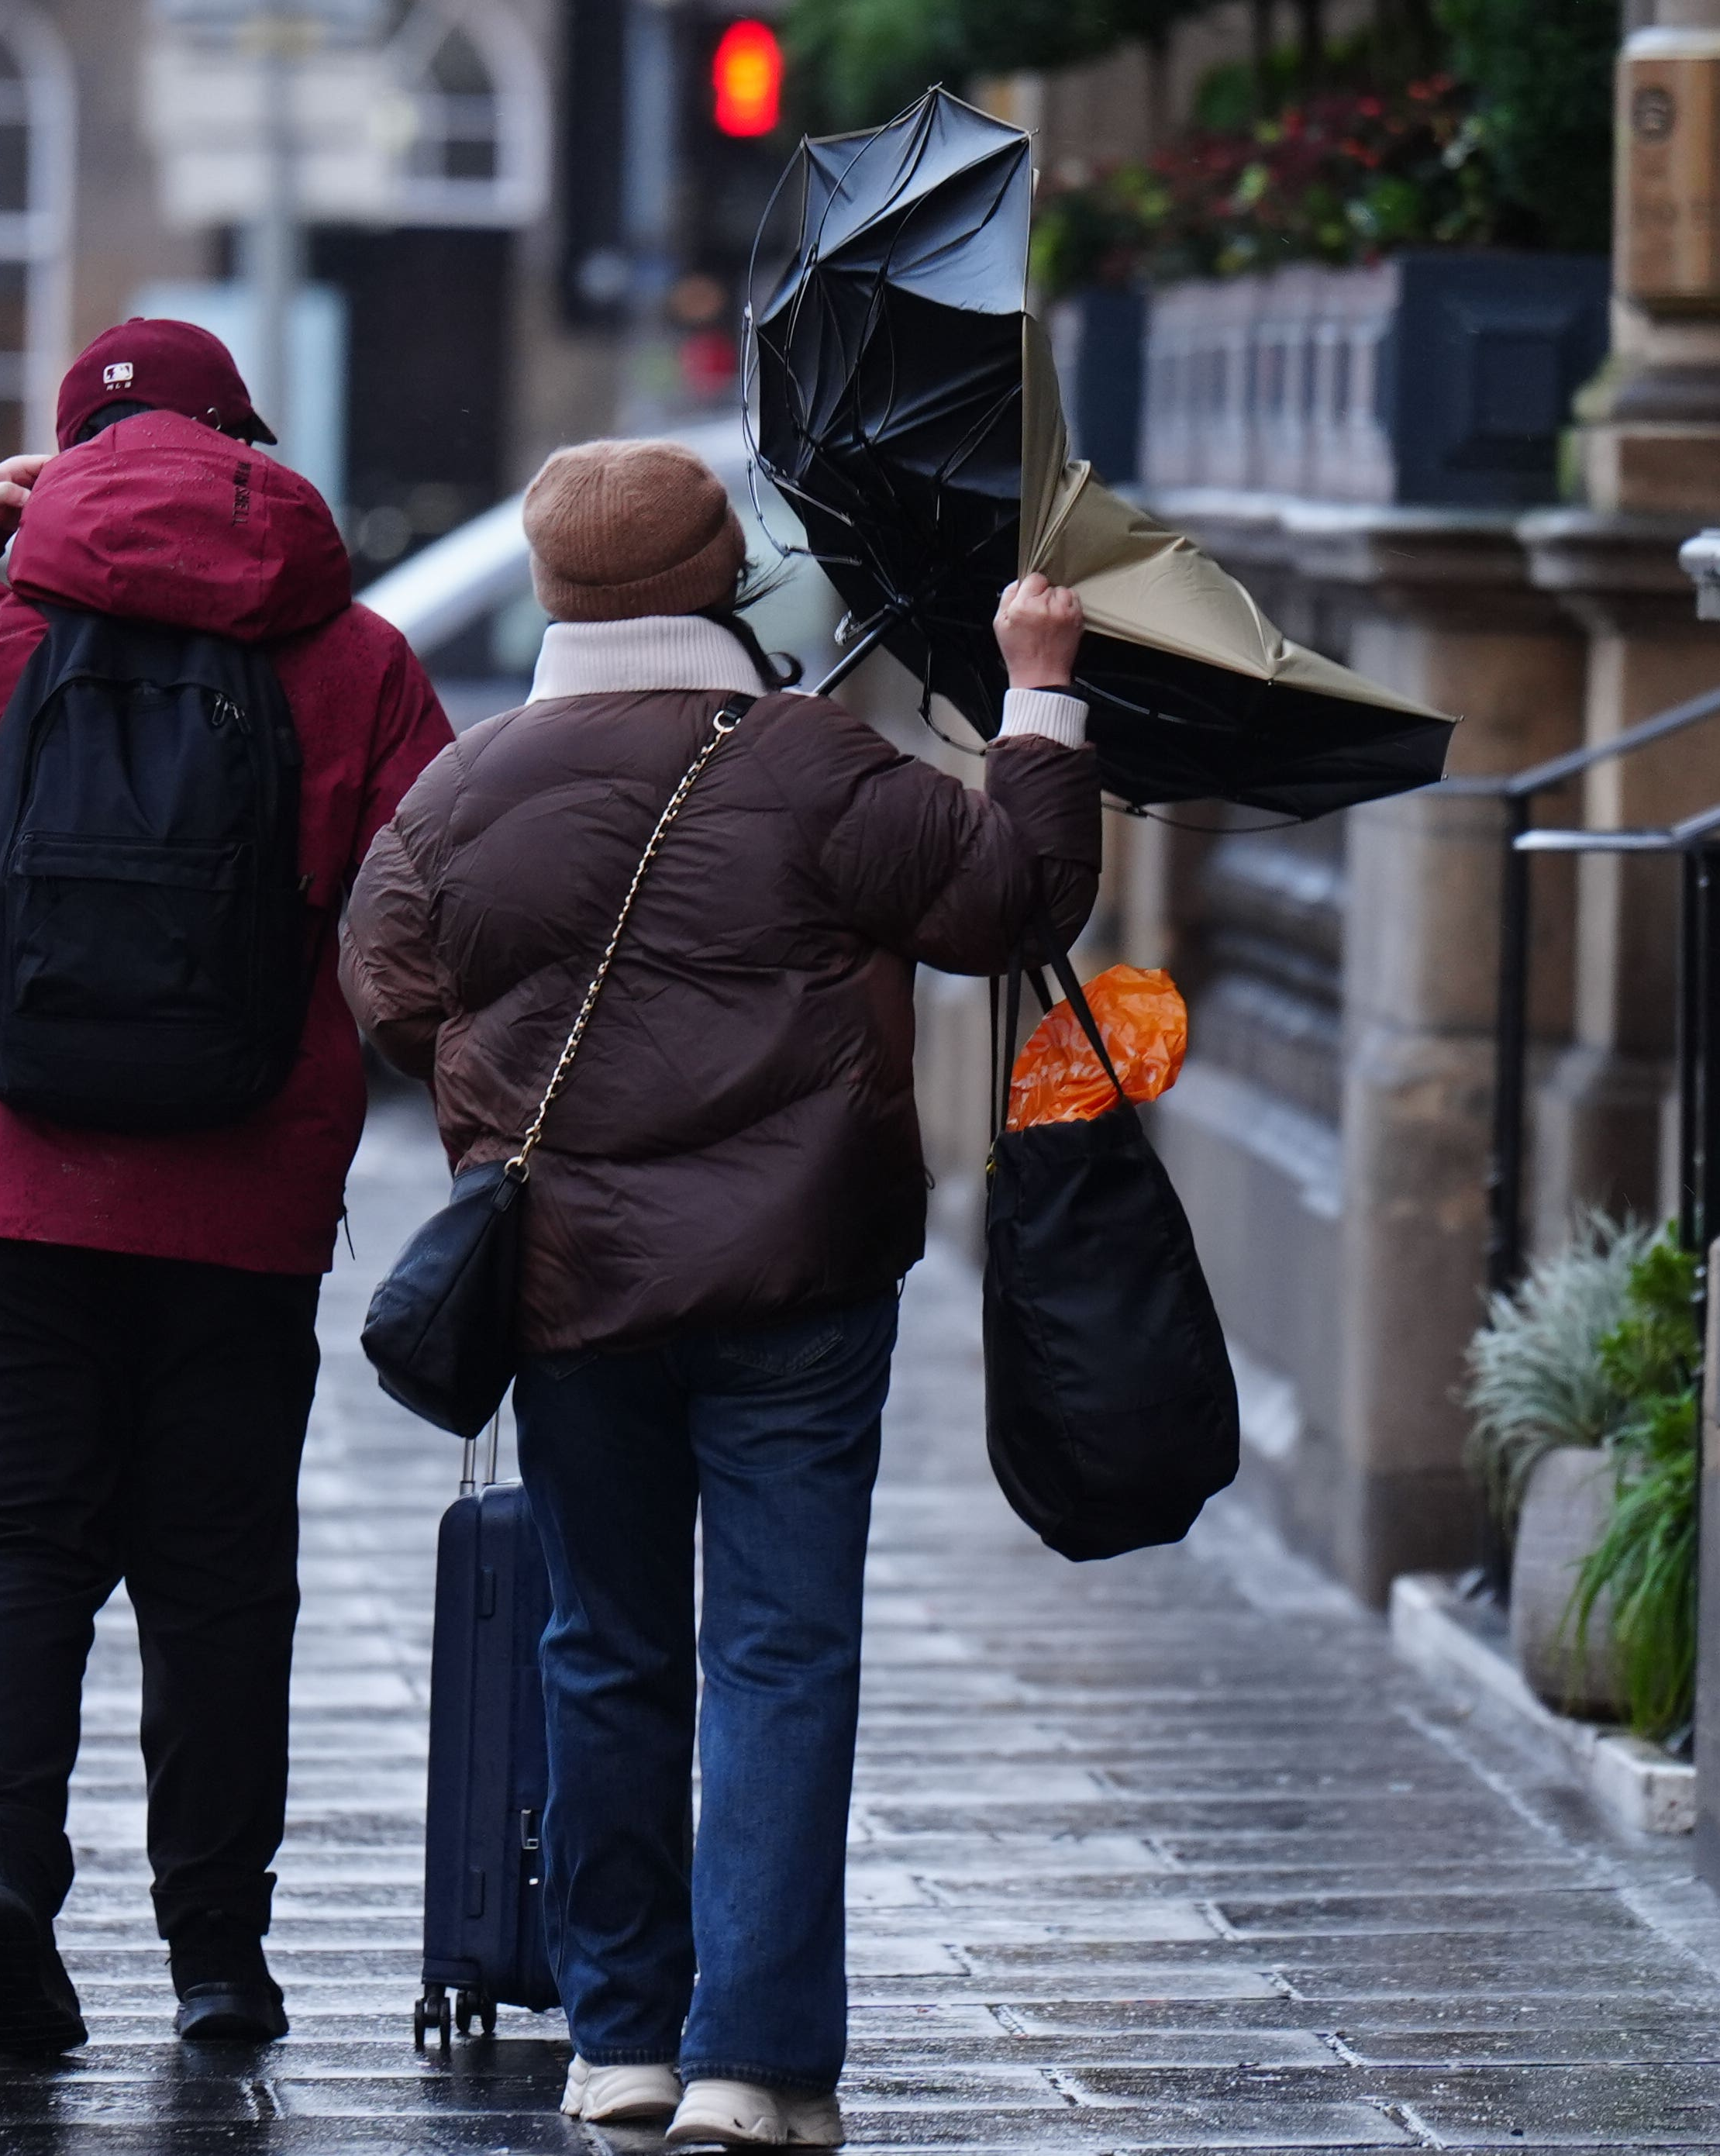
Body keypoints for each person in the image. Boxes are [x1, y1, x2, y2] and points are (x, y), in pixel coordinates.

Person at [338, 440, 1100, 2148]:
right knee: (779, 1650)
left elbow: (388, 985)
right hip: (799, 1279)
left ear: (548, 591)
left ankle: (621, 2043)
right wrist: (1038, 701)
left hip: (573, 1284)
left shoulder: (463, 794)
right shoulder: (815, 764)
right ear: (720, 580)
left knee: (603, 1649)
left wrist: (514, 1102)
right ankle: (754, 2065)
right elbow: (1012, 899)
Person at [0, 320, 451, 2057]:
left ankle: (5, 1866)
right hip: (246, 1185)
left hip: (24, 1169)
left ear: (68, 460)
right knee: (222, 1571)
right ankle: (218, 1951)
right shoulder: (357, 655)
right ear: (246, 443)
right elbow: (440, 883)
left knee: (24, 1533)